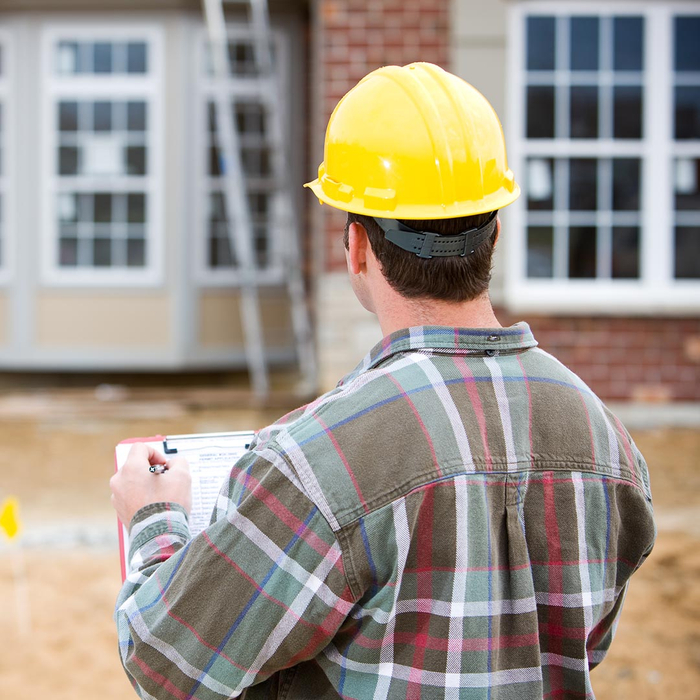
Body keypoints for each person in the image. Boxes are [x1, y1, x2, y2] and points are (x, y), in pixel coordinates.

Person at [111, 62, 655, 699]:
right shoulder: (607, 445)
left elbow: (164, 661)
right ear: (495, 233)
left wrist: (154, 521)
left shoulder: (317, 460)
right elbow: (581, 644)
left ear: (359, 246)